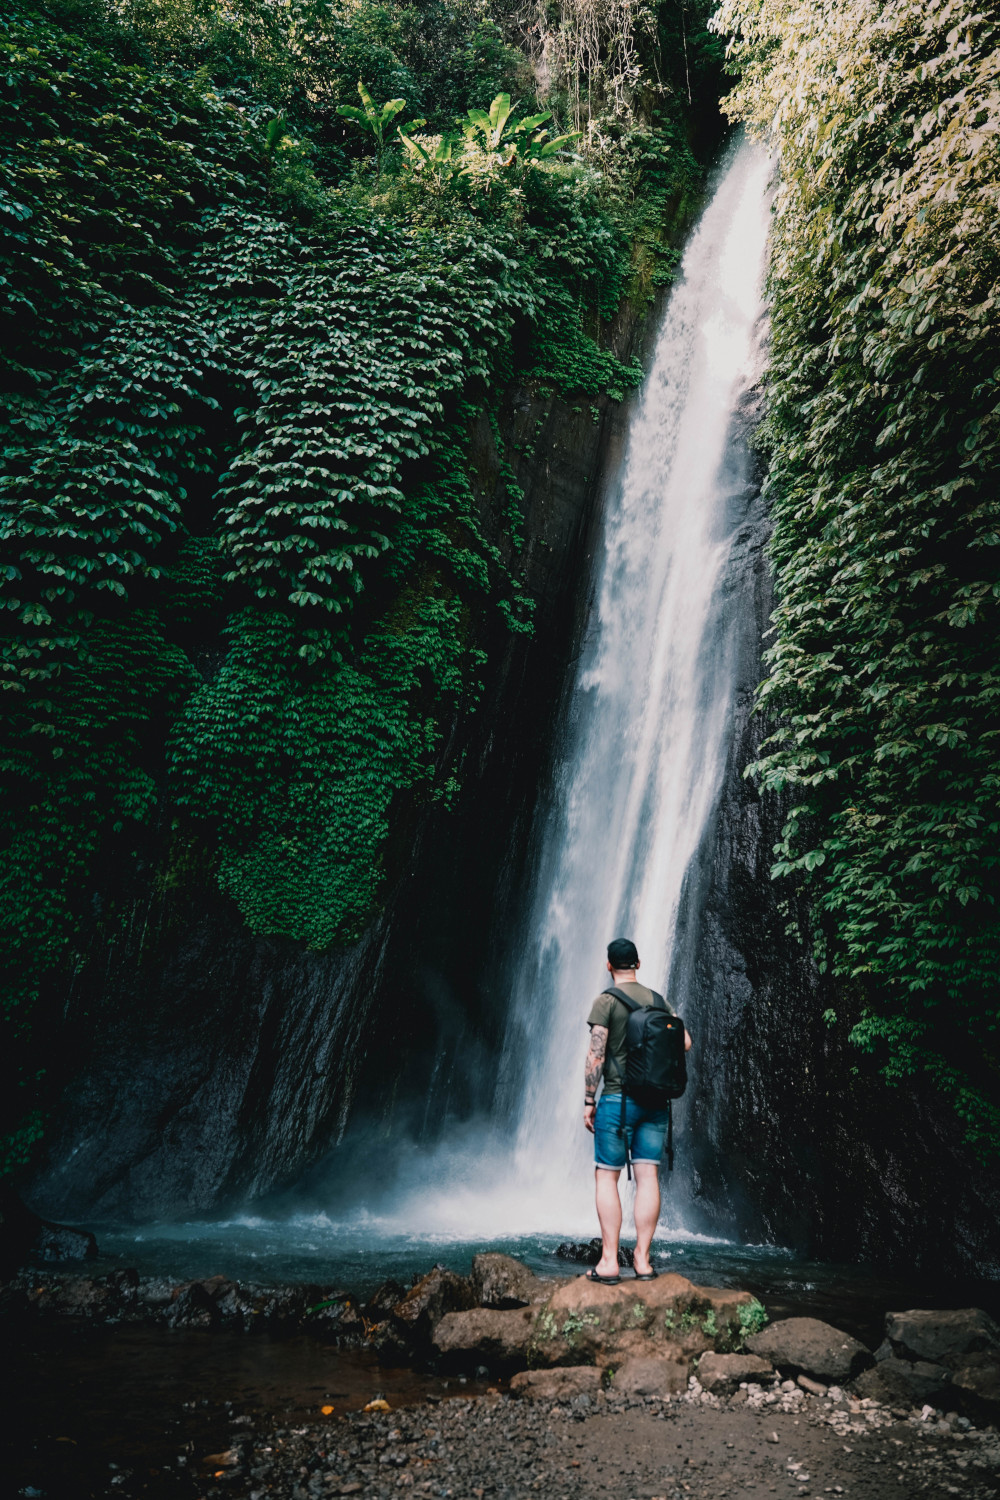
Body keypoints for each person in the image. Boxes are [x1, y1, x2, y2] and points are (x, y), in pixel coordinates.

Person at [582, 937, 693, 1283]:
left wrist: (589, 1100)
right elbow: (685, 1041)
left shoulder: (606, 1001)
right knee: (648, 1178)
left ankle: (610, 1262)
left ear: (609, 966)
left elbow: (596, 1054)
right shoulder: (659, 1001)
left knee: (607, 1177)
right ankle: (643, 1261)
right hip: (655, 1106)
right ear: (639, 964)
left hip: (617, 1102)